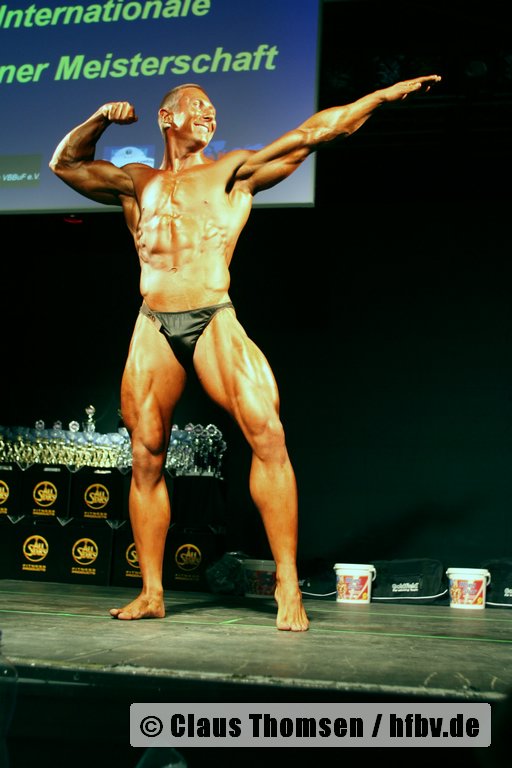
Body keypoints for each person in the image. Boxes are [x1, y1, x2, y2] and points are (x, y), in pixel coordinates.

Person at [49, 73, 441, 631]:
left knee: (267, 434)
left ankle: (287, 582)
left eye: (212, 108)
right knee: (146, 453)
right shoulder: (137, 182)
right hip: (153, 320)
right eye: (198, 106)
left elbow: (314, 133)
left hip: (212, 313)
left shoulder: (232, 171)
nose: (209, 114)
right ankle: (152, 592)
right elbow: (65, 164)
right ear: (168, 118)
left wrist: (377, 97)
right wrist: (99, 120)